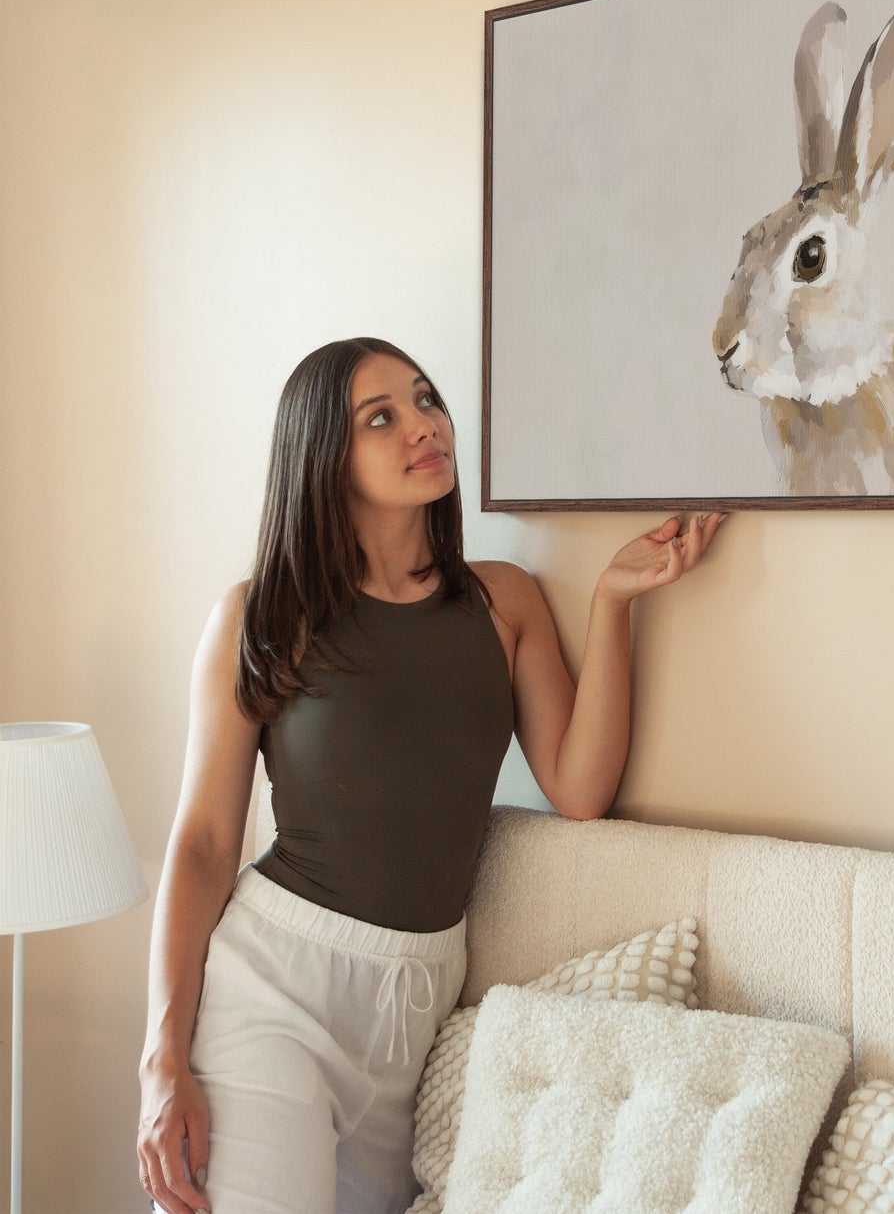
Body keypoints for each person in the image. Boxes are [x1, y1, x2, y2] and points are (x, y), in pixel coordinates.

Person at [136, 337, 725, 1214]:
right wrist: (162, 1058)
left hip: (418, 1004)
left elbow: (578, 787)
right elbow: (204, 845)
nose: (424, 425)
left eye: (424, 399)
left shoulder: (502, 602)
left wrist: (611, 603)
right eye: (382, 417)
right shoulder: (264, 616)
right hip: (273, 991)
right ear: (324, 458)